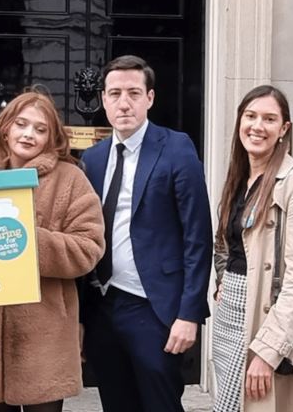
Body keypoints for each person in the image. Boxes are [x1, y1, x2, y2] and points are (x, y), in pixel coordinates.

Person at [0, 91, 105, 412]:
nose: (28, 134)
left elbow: (89, 246)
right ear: (6, 127)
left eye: (40, 129)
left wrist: (24, 240)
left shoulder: (71, 180)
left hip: (44, 343)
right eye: (21, 124)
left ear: (52, 137)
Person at [80, 55, 214, 412]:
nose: (124, 103)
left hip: (155, 308)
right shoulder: (91, 159)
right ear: (104, 100)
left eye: (134, 93)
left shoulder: (176, 147)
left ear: (150, 98)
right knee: (116, 403)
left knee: (160, 405)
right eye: (115, 93)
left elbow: (198, 237)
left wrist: (189, 314)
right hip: (101, 306)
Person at [212, 86, 293, 412]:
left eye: (269, 118)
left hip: (266, 315)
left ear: (284, 129)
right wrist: (223, 278)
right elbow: (225, 240)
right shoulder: (239, 177)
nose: (257, 126)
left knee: (255, 404)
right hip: (230, 311)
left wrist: (268, 349)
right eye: (250, 116)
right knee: (230, 405)